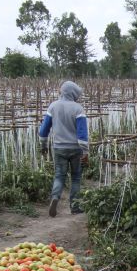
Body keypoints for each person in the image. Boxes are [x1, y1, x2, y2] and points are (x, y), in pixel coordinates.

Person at [39, 80, 89, 217]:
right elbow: (82, 133)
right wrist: (85, 151)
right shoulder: (78, 109)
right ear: (73, 93)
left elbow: (44, 130)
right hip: (75, 148)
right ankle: (75, 207)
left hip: (59, 148)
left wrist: (43, 145)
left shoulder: (53, 107)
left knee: (59, 176)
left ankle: (55, 197)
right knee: (76, 178)